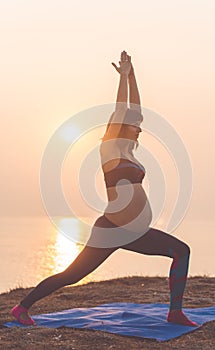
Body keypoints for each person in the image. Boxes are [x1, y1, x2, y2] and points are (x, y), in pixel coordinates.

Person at [11, 51, 197, 327]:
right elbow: (122, 109)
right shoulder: (109, 148)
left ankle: (175, 312)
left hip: (134, 231)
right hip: (111, 229)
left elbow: (136, 111)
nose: (138, 129)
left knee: (182, 251)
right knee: (72, 275)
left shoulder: (131, 152)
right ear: (117, 128)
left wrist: (133, 75)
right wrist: (122, 79)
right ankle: (21, 308)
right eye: (132, 127)